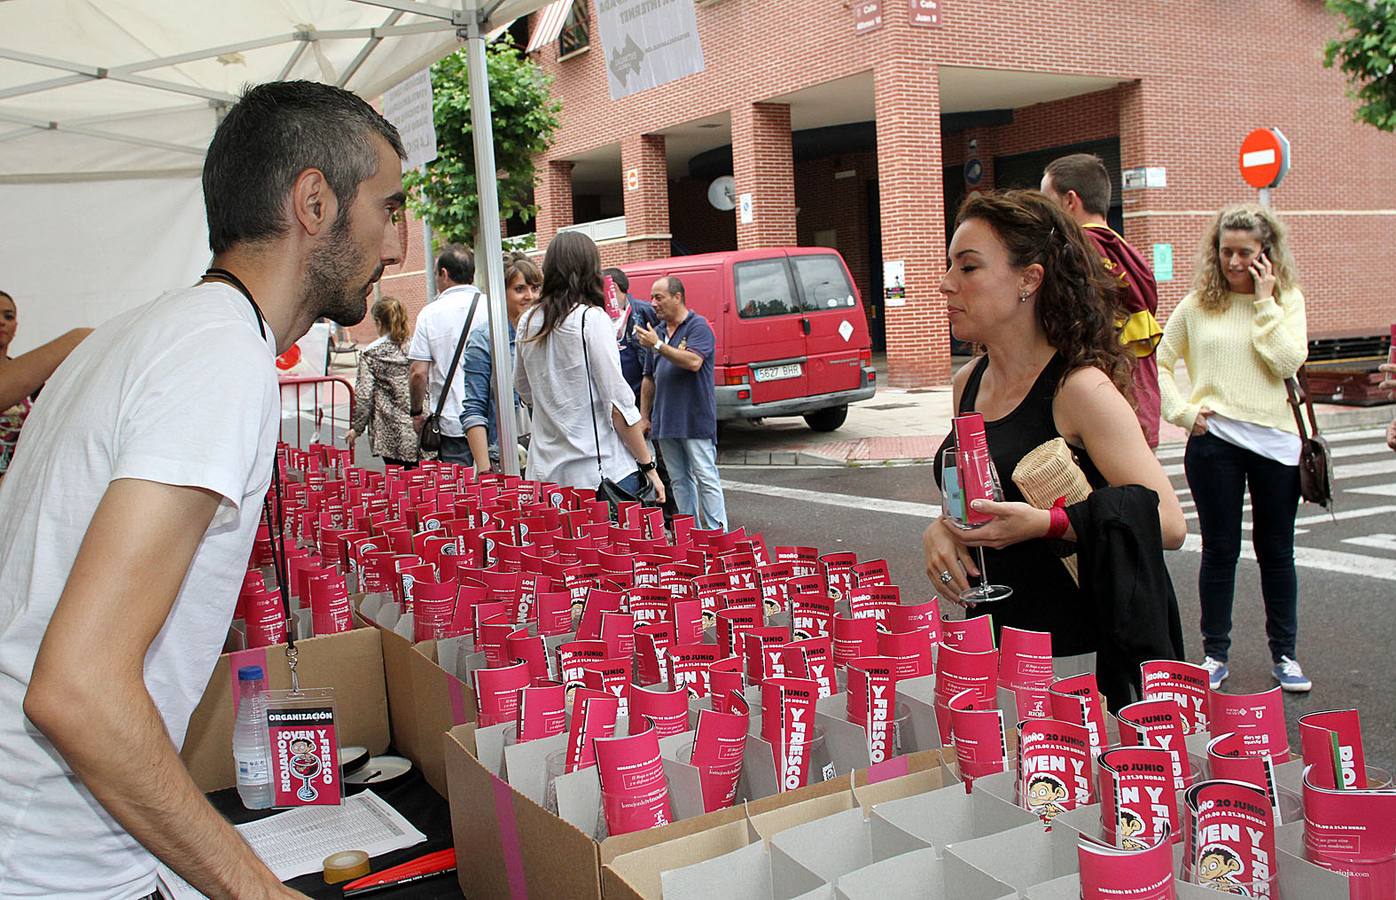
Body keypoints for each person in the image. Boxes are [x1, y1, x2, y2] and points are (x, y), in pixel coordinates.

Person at [0, 80, 405, 898]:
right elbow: (77, 689)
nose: (396, 245)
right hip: (52, 860)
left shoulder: (140, 334)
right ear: (315, 202)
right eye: (388, 208)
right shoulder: (216, 355)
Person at [922, 191, 1185, 697]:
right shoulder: (968, 383)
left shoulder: (1079, 388)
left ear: (1029, 279)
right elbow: (980, 494)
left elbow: (1169, 525)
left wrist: (1047, 524)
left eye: (969, 268)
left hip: (1074, 656)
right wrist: (942, 529)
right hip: (989, 640)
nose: (946, 284)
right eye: (949, 266)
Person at [1158, 204, 1310, 693]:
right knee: (1220, 551)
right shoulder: (1200, 303)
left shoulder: (1287, 301)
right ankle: (1214, 654)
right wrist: (1182, 412)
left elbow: (1286, 362)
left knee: (1276, 552)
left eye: (1245, 252)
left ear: (1266, 253)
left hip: (1277, 444)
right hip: (1215, 441)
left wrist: (1265, 302)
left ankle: (1285, 655)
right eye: (1226, 251)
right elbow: (1157, 361)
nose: (1234, 261)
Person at [515, 231, 664, 502]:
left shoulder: (528, 321)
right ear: (589, 269)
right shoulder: (590, 319)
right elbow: (618, 405)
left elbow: (523, 389)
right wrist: (648, 466)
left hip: (545, 475)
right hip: (599, 474)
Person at [1041, 153, 1163, 447]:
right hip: (1143, 407)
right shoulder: (1132, 254)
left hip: (1100, 416)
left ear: (1071, 200)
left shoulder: (1072, 253)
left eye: (1047, 202)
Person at [637, 276, 728, 530]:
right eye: (651, 297)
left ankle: (717, 536)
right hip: (666, 422)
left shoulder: (698, 327)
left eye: (659, 297)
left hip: (694, 419)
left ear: (677, 297)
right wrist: (645, 416)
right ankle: (689, 535)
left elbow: (693, 362)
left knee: (706, 477)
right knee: (679, 481)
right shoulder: (656, 332)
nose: (652, 303)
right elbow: (648, 379)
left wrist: (657, 345)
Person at [462, 252, 541, 472]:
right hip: (505, 456)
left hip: (548, 452)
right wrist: (486, 470)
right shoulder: (485, 339)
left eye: (535, 288)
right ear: (501, 292)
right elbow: (474, 409)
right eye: (520, 289)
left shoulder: (545, 333)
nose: (530, 296)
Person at [408, 245, 487, 464]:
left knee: (460, 490)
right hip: (492, 418)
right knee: (498, 488)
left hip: (453, 421)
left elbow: (418, 373)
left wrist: (416, 412)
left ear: (444, 273)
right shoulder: (492, 306)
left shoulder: (430, 313)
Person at [345, 296, 417, 467]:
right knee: (423, 482)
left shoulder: (371, 353)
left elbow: (364, 395)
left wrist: (357, 428)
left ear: (378, 322)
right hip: (419, 426)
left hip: (389, 430)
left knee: (398, 482)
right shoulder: (415, 347)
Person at [0, 289, 91, 413]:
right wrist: (75, 338)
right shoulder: (31, 373)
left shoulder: (34, 381)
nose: (1, 321)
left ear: (15, 326)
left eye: (8, 317)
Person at [603, 267, 659, 400]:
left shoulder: (644, 311)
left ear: (613, 287)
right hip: (615, 396)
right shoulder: (600, 315)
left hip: (640, 394)